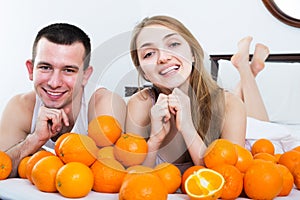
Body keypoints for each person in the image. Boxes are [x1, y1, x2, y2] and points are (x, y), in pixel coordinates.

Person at [0, 23, 126, 177]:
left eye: (68, 70)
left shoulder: (105, 104)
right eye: (45, 67)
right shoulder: (20, 107)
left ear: (85, 76)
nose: (54, 83)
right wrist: (33, 141)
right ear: (31, 70)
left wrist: (36, 155)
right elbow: (2, 170)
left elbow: (105, 177)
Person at [126, 15, 248, 173]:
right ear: (144, 73)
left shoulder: (230, 105)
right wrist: (154, 141)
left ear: (192, 53)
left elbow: (227, 180)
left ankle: (246, 69)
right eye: (149, 54)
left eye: (173, 44)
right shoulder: (140, 105)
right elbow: (134, 179)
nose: (163, 58)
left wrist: (188, 128)